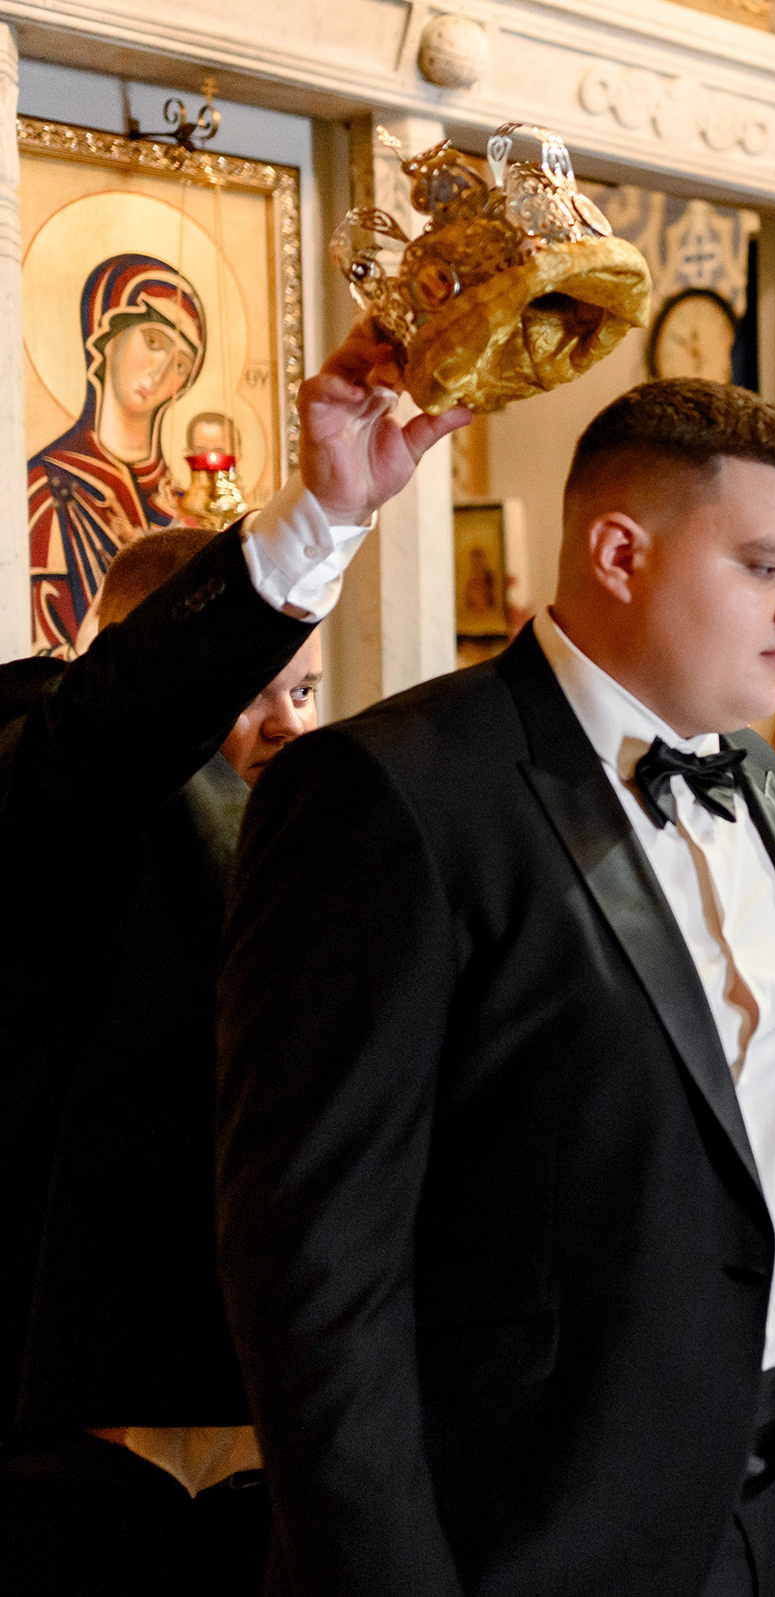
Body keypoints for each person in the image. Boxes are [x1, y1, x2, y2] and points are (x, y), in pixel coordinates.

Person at [214, 379, 775, 1596]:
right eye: (768, 566)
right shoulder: (394, 793)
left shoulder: (765, 787)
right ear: (620, 551)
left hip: (758, 1509)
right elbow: (313, 1270)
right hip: (525, 1521)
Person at [0, 318, 464, 1596]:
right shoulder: (51, 756)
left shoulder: (322, 820)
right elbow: (121, 731)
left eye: (305, 689)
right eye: (254, 688)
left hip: (285, 1394)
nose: (281, 722)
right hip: (90, 1409)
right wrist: (318, 515)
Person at [27, 254, 209, 652]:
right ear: (106, 333)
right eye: (154, 342)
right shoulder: (47, 487)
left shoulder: (185, 506)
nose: (160, 375)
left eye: (180, 364)